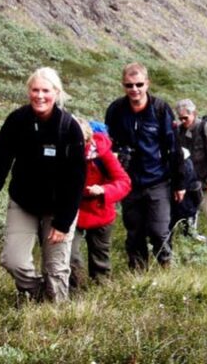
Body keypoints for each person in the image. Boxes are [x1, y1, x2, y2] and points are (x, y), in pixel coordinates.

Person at [0, 67, 85, 303]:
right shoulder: (17, 120)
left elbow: (76, 179)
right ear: (29, 91)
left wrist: (63, 222)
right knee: (13, 261)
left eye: (45, 91)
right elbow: (0, 157)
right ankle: (36, 293)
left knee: (56, 270)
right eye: (35, 90)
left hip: (59, 208)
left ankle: (57, 315)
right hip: (23, 202)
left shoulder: (69, 128)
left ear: (56, 93)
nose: (40, 96)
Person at [105, 62, 185, 271]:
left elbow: (174, 147)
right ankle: (138, 276)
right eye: (129, 85)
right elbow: (107, 145)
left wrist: (179, 183)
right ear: (123, 85)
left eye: (139, 84)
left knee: (159, 231)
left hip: (158, 181)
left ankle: (167, 270)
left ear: (147, 84)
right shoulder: (115, 110)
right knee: (134, 233)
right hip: (128, 183)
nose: (135, 90)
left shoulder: (160, 109)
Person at [70, 119, 131, 291]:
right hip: (71, 212)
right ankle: (76, 293)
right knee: (70, 255)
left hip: (100, 211)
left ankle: (101, 293)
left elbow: (124, 181)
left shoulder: (102, 154)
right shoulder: (63, 151)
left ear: (88, 140)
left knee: (100, 260)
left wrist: (104, 190)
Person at [175, 99, 207, 236]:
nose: (183, 121)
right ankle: (191, 236)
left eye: (185, 118)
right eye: (180, 118)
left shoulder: (205, 128)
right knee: (191, 209)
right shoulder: (179, 130)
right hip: (190, 179)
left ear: (194, 114)